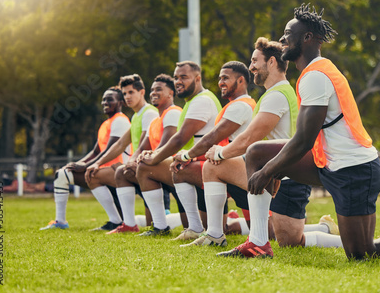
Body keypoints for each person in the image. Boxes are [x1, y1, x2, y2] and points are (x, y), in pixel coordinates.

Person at [228, 3, 380, 259]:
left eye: (288, 33)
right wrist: (269, 167)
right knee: (256, 153)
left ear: (307, 38)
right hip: (327, 162)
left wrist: (269, 172)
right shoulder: (312, 72)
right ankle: (259, 243)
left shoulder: (316, 76)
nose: (282, 39)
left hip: (353, 169)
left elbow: (304, 140)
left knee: (362, 253)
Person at [203, 37, 341, 252]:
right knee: (211, 167)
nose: (251, 67)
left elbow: (249, 139)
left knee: (289, 240)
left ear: (272, 63)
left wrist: (220, 152)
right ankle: (214, 234)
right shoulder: (274, 94)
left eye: (255, 61)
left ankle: (334, 235)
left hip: (286, 177)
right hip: (269, 172)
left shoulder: (277, 96)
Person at [170, 61, 256, 245]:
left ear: (241, 80)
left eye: (225, 78)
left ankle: (321, 229)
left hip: (244, 173)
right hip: (235, 170)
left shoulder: (241, 106)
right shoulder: (235, 105)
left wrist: (186, 155)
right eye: (219, 78)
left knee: (278, 233)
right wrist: (190, 157)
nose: (220, 82)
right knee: (192, 168)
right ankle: (212, 232)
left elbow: (212, 138)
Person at [135, 61, 222, 236]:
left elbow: (180, 139)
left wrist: (155, 158)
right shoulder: (194, 101)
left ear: (197, 79)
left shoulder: (202, 101)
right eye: (176, 77)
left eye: (184, 77)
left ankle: (164, 227)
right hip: (197, 163)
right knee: (160, 165)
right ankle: (181, 226)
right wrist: (154, 153)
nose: (178, 81)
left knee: (147, 167)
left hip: (207, 166)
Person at [40, 87, 130, 230]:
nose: (105, 102)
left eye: (109, 99)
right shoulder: (106, 123)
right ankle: (60, 222)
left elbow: (109, 150)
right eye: (103, 99)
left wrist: (87, 166)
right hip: (103, 170)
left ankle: (116, 221)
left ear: (120, 102)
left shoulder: (120, 121)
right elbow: (95, 151)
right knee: (62, 174)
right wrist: (79, 163)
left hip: (117, 172)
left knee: (86, 175)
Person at [111, 74, 185, 236]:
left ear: (171, 93)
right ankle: (131, 224)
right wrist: (131, 161)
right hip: (161, 167)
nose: (153, 93)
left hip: (179, 167)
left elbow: (167, 146)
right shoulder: (155, 120)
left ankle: (161, 226)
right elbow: (143, 146)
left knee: (199, 225)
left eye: (159, 89)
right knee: (122, 171)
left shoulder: (172, 112)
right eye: (152, 90)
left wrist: (145, 159)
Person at [86, 74, 158, 232]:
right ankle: (122, 222)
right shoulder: (135, 117)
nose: (127, 97)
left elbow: (146, 144)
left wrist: (130, 161)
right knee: (94, 174)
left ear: (142, 92)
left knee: (156, 223)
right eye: (124, 93)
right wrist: (96, 163)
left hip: (151, 170)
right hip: (137, 168)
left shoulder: (149, 113)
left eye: (131, 92)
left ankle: (129, 223)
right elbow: (119, 145)